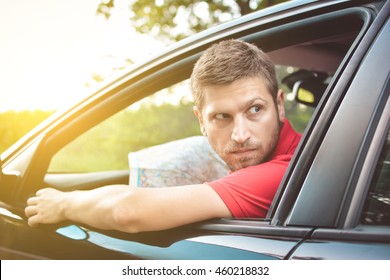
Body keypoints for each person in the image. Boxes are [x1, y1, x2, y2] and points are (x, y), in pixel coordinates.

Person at [25, 39, 301, 233]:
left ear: (279, 105)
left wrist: (63, 203)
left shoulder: (285, 172)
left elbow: (128, 212)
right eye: (221, 116)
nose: (240, 135)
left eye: (254, 109)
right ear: (200, 121)